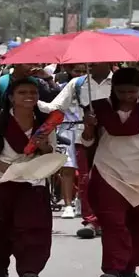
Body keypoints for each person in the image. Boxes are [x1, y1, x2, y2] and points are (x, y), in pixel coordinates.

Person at [81, 67, 139, 277]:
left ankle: (128, 266)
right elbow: (87, 143)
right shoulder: (98, 109)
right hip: (108, 173)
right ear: (114, 89)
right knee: (114, 224)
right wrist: (89, 127)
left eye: (132, 92)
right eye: (122, 92)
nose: (128, 97)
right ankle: (112, 269)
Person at [0, 78, 55, 277]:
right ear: (11, 97)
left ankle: (29, 269)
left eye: (33, 92)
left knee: (33, 226)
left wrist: (44, 146)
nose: (29, 96)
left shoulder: (45, 124)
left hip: (33, 180)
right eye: (22, 92)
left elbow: (51, 152)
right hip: (0, 180)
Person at [42, 62, 114, 239]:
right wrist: (32, 102)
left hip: (115, 138)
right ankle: (91, 220)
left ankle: (111, 220)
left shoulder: (119, 82)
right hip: (84, 137)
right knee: (86, 180)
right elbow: (56, 106)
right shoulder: (78, 84)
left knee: (112, 180)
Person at [55, 64, 87, 219]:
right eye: (77, 71)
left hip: (86, 129)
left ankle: (81, 200)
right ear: (69, 71)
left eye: (83, 71)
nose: (80, 74)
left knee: (84, 169)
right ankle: (68, 205)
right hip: (66, 129)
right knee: (67, 168)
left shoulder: (91, 87)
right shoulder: (62, 87)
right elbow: (54, 106)